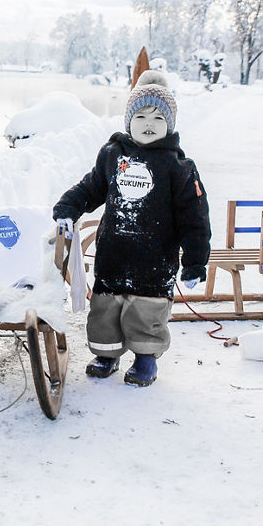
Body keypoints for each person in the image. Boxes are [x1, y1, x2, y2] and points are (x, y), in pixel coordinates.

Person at [52, 70, 211, 386]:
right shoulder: (113, 154)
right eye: (140, 115)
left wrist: (194, 262)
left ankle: (144, 359)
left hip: (155, 261)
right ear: (128, 120)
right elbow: (92, 187)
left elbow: (195, 218)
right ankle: (107, 354)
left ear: (169, 124)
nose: (148, 123)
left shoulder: (178, 167)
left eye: (157, 117)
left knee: (145, 314)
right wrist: (68, 207)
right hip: (113, 254)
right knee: (105, 310)